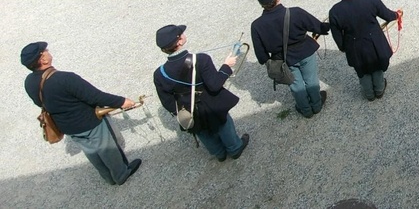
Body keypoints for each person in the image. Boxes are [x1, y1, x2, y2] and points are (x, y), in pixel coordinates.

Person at [21, 42, 142, 185]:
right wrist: (122, 101)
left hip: (67, 126)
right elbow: (95, 96)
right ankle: (121, 174)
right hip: (89, 121)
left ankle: (108, 178)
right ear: (43, 60)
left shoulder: (29, 81)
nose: (48, 51)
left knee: (91, 152)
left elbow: (39, 102)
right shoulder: (65, 78)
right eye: (45, 51)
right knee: (107, 149)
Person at [152, 25, 249, 162]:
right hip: (210, 102)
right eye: (181, 33)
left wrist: (180, 111)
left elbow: (167, 101)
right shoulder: (201, 59)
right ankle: (234, 148)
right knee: (223, 124)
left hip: (187, 108)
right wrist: (227, 66)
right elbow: (214, 85)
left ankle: (219, 153)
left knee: (201, 131)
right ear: (179, 41)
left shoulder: (159, 73)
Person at [250, 0, 329, 117]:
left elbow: (261, 56)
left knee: (296, 85)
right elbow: (319, 27)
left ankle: (305, 110)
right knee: (311, 79)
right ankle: (316, 104)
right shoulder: (296, 12)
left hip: (283, 60)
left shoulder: (256, 25)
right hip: (305, 52)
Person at [328, 0, 402, 101]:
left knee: (361, 70)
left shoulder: (335, 11)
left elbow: (337, 36)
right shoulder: (372, 0)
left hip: (354, 46)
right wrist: (397, 15)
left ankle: (369, 94)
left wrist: (343, 47)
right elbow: (388, 15)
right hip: (374, 43)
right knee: (377, 66)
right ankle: (379, 90)